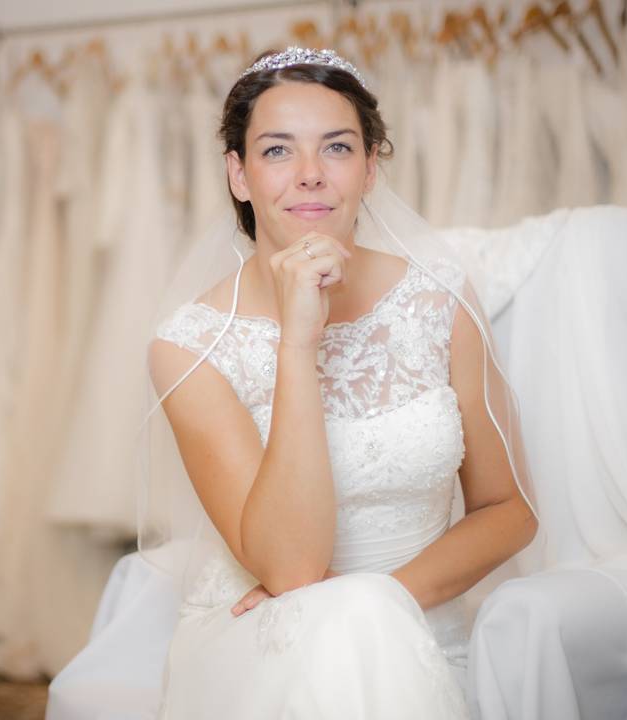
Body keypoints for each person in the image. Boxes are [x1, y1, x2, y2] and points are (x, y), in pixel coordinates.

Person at [140, 47, 539, 718]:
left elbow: (510, 511)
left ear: (370, 166)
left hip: (422, 624)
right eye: (275, 152)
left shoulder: (439, 300)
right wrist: (300, 342)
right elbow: (290, 573)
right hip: (268, 638)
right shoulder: (187, 345)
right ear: (237, 175)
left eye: (336, 148)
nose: (309, 176)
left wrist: (370, 607)